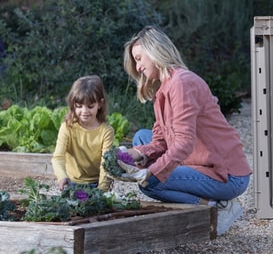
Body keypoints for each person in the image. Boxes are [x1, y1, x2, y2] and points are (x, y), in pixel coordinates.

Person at [122, 26, 252, 235]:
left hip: (226, 175)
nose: (138, 68)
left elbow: (184, 143)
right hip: (196, 159)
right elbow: (160, 142)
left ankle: (217, 208)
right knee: (141, 138)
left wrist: (149, 172)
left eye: (139, 59)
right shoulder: (163, 88)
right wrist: (134, 154)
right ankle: (186, 183)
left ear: (154, 51)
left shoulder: (182, 83)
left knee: (150, 184)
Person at [52, 75, 114, 191]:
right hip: (72, 182)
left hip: (97, 183)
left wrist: (102, 190)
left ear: (100, 104)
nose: (84, 111)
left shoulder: (106, 131)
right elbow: (58, 157)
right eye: (79, 106)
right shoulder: (67, 127)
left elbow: (106, 164)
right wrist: (62, 177)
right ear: (73, 105)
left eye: (90, 106)